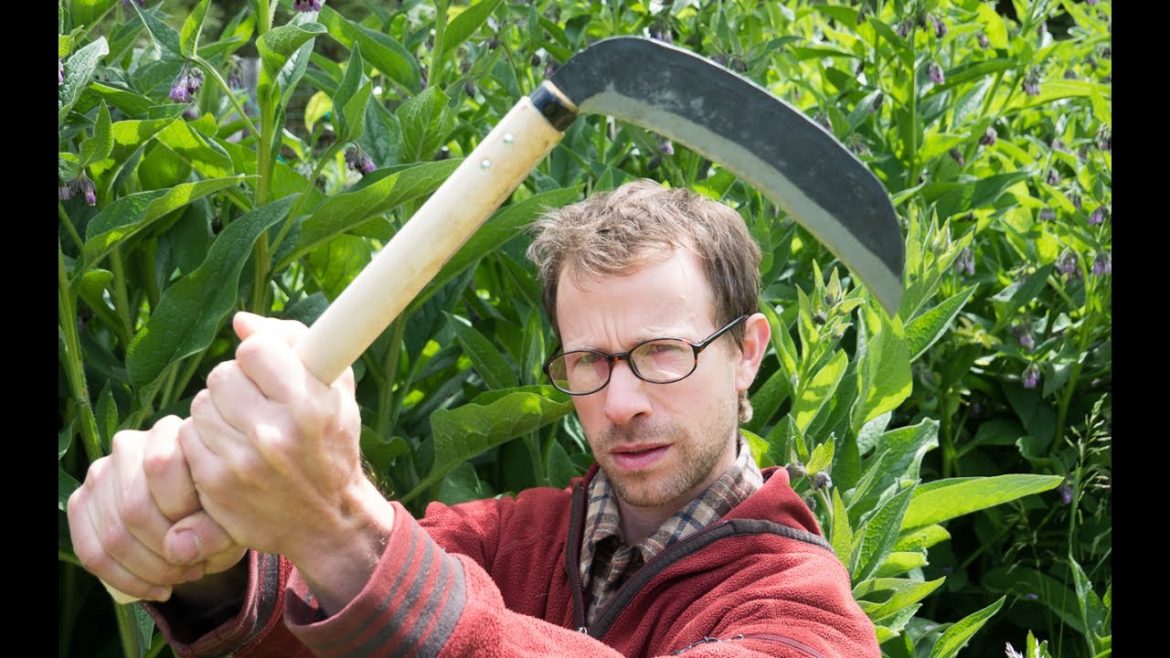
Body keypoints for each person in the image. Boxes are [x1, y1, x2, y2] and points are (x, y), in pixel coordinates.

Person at [67, 180, 880, 657]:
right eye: (588, 362)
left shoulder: (804, 612)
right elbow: (322, 622)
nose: (622, 402)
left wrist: (345, 535)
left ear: (746, 352)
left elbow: (388, 577)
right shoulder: (505, 539)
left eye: (662, 352)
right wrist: (206, 562)